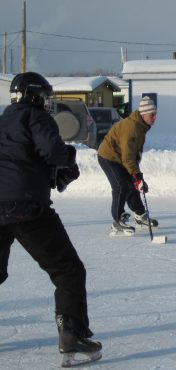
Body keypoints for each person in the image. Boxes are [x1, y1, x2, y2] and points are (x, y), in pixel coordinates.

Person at [0, 72, 102, 366]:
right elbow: (53, 151)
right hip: (25, 206)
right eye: (43, 96)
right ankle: (72, 338)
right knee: (68, 271)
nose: (45, 102)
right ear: (34, 96)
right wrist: (67, 159)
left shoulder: (3, 120)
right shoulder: (35, 117)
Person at [97, 96, 159, 236]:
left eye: (155, 115)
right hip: (109, 156)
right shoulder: (131, 127)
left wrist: (137, 178)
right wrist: (136, 176)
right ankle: (117, 221)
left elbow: (134, 155)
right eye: (152, 115)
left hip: (120, 157)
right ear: (143, 114)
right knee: (121, 186)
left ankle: (140, 215)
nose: (154, 118)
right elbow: (127, 157)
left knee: (132, 184)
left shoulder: (141, 126)